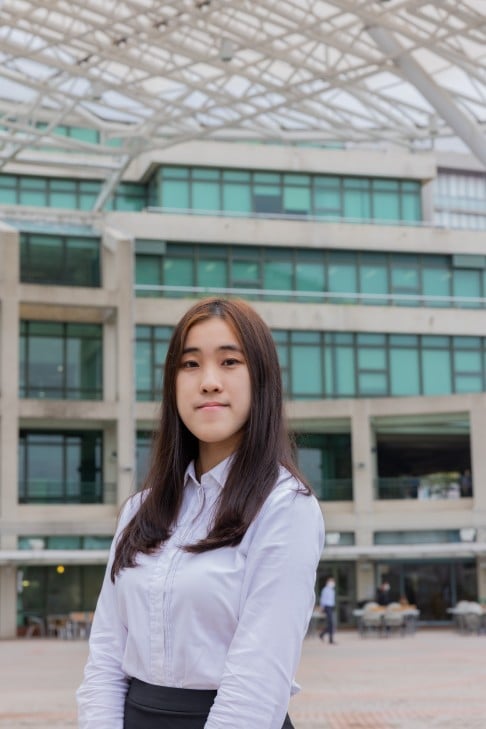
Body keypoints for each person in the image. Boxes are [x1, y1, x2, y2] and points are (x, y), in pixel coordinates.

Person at [77, 297, 324, 729]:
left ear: (262, 379)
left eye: (230, 362)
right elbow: (105, 660)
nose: (209, 382)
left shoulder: (285, 507)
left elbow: (258, 682)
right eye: (190, 365)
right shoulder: (140, 510)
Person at [318, 576, 336, 644]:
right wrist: (322, 607)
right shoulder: (325, 590)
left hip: (331, 607)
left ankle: (322, 634)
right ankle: (330, 639)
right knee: (331, 623)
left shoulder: (332, 590)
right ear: (327, 582)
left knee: (331, 624)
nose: (333, 583)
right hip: (327, 607)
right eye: (331, 581)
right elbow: (323, 599)